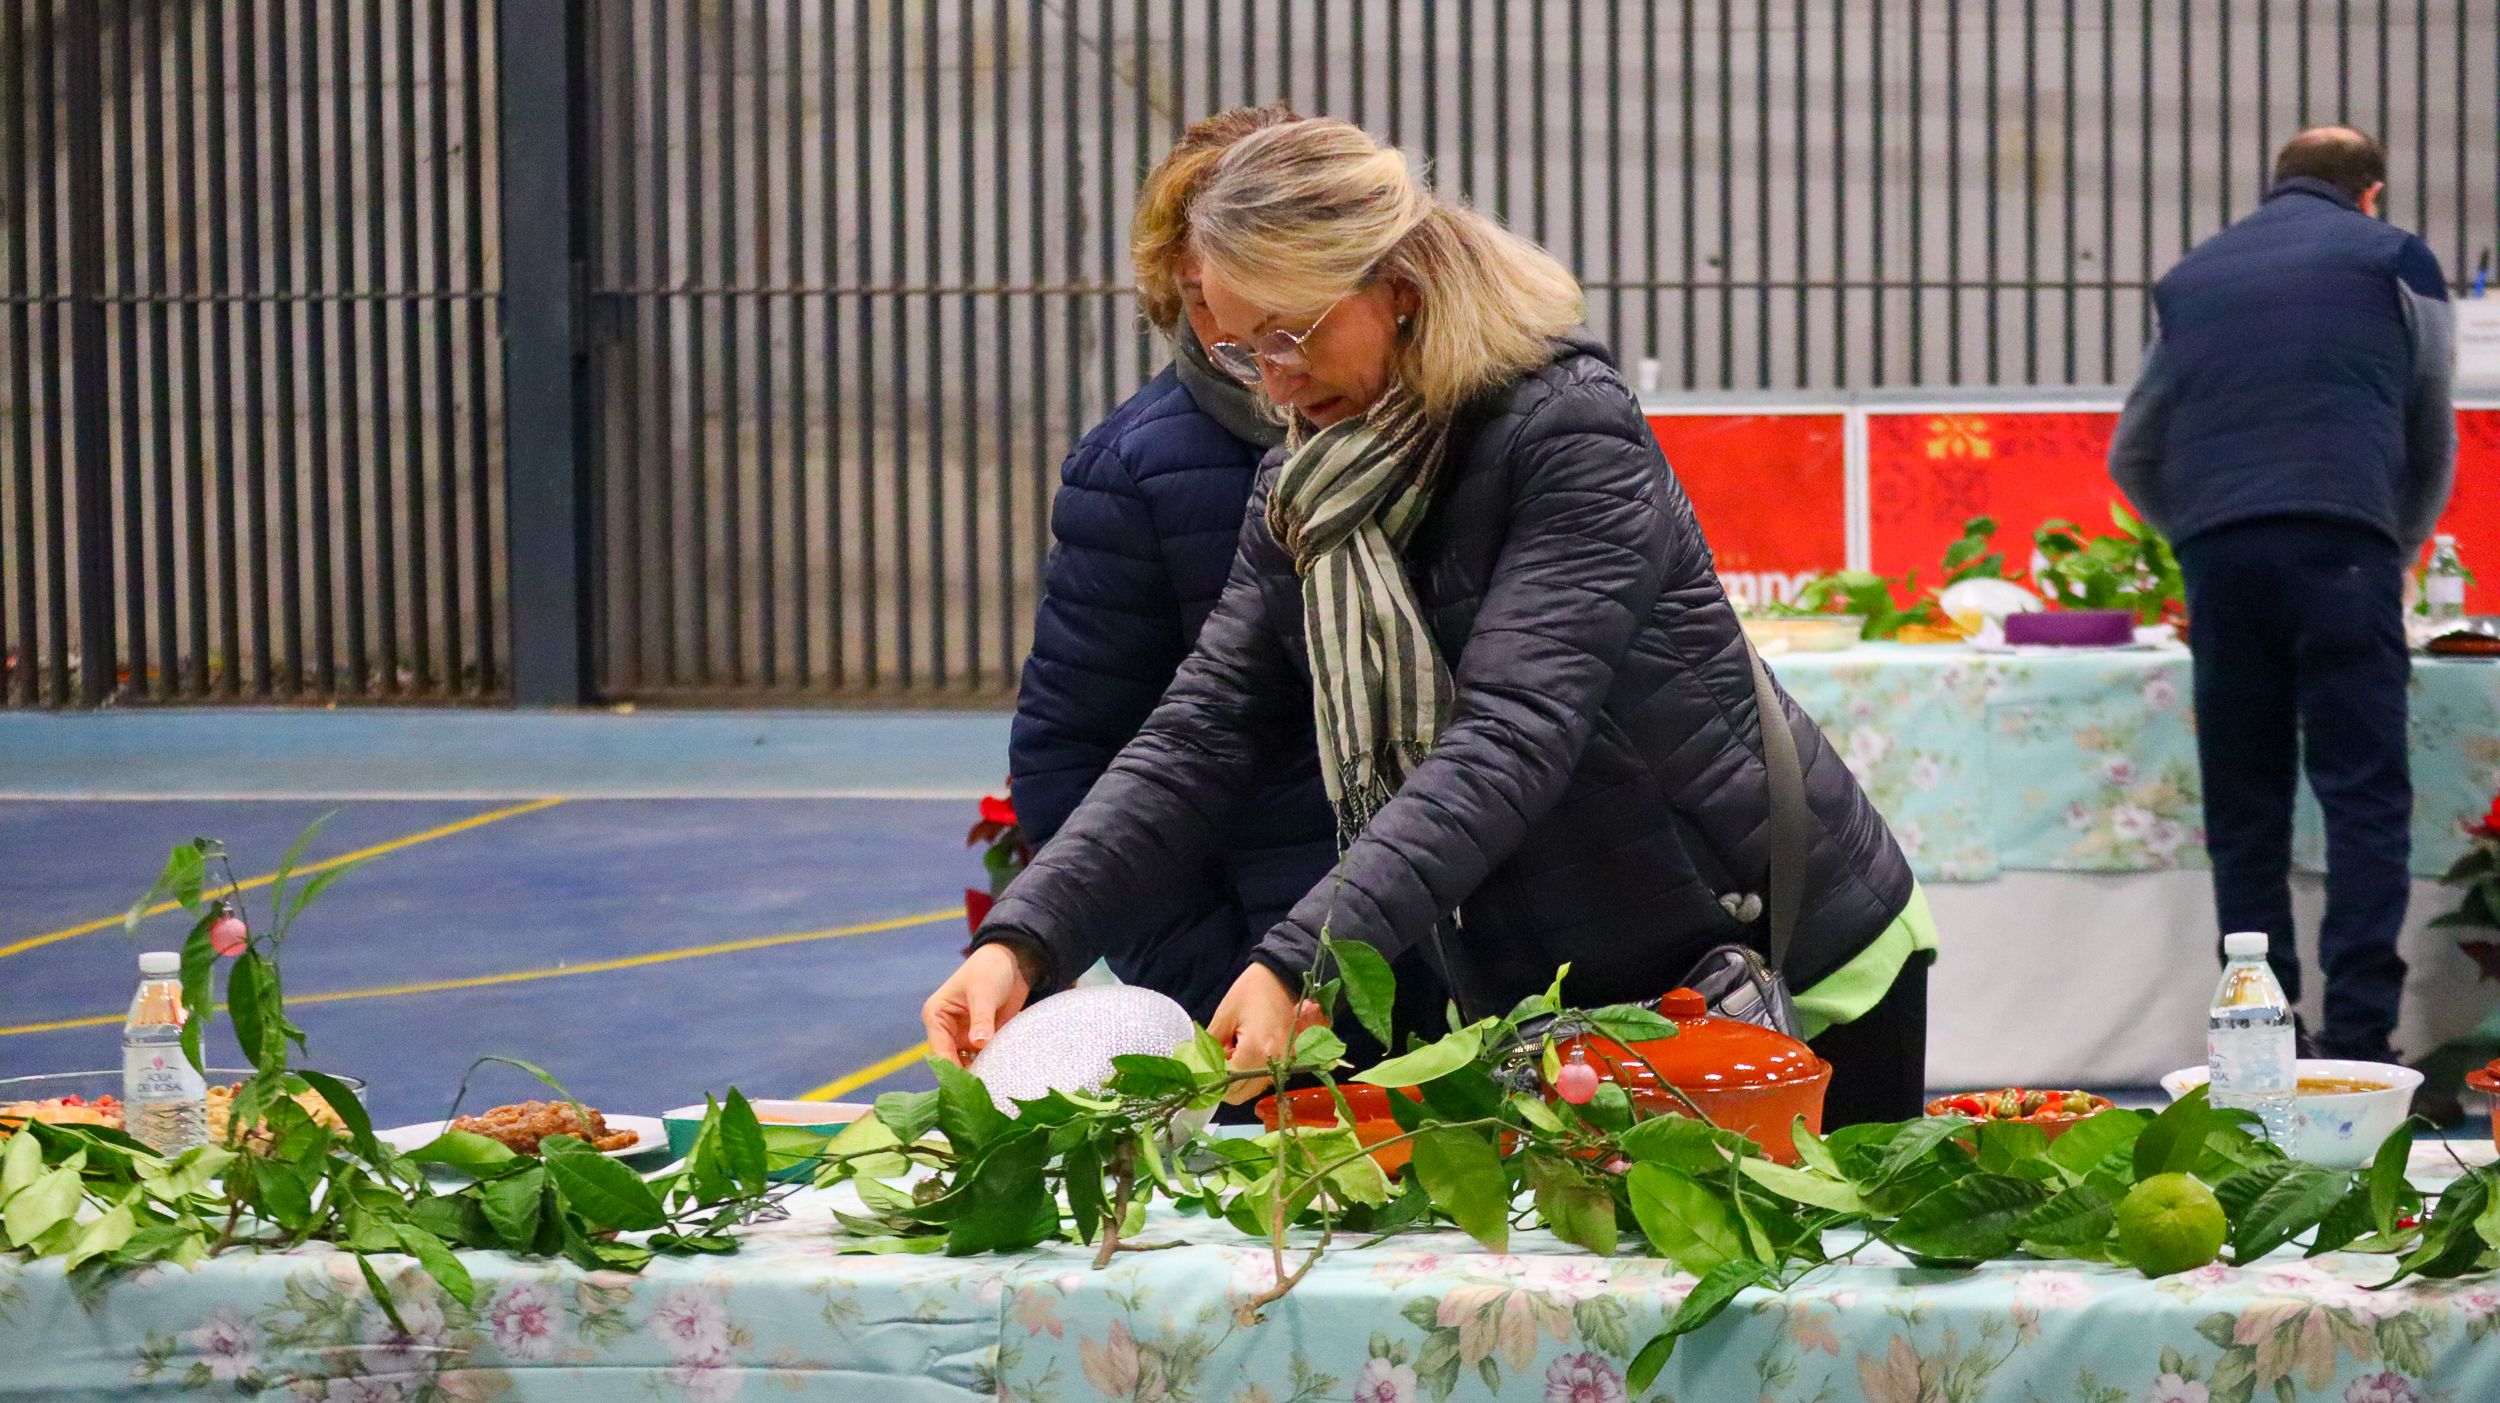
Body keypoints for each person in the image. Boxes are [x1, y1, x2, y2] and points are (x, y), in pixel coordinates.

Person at [928, 118, 1935, 1126]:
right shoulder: (1304, 485)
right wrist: (1025, 937)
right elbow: (1203, 730)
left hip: (1778, 960)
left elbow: (1510, 734)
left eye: (1290, 333)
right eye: (1240, 350)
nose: (1273, 382)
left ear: (1399, 288)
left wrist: (1297, 960)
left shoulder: (1567, 429)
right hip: (1563, 995)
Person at [1008, 106, 1447, 1058]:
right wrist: (1220, 978)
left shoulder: (1457, 431)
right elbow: (1082, 759)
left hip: (1469, 951)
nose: (1244, 337)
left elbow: (1508, 738)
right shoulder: (1135, 470)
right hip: (1273, 993)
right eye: (1206, 295)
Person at [2109, 127, 2456, 1089]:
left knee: (2245, 806)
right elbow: (2430, 423)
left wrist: (2200, 536)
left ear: (2277, 184)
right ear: (2371, 192)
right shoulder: (2396, 256)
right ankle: (2361, 1038)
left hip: (2222, 557)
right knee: (2363, 794)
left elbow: (2131, 454)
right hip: (2346, 543)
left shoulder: (2190, 280)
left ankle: (2261, 1039)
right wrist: (2394, 544)